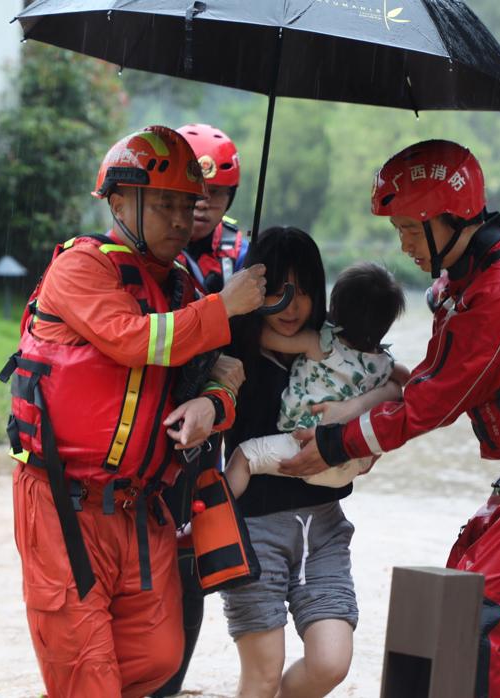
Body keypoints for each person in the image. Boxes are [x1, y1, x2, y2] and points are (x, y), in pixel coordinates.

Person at [281, 139, 500, 698]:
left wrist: (337, 443)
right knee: (454, 618)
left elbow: (435, 401)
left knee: (480, 635)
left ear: (446, 219)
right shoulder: (465, 283)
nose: (402, 245)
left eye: (407, 228)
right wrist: (353, 417)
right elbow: (426, 379)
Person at [0, 125, 267, 698]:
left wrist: (209, 405)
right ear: (118, 201)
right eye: (165, 204)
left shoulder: (182, 289)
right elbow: (131, 339)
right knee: (86, 674)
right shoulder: (81, 268)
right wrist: (226, 305)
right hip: (63, 504)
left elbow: (227, 375)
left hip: (141, 510)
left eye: (188, 206)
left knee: (158, 658)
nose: (181, 219)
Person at [222, 227, 395, 698]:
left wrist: (354, 411)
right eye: (276, 290)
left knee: (330, 663)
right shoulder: (234, 351)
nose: (290, 305)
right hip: (254, 531)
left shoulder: (341, 347)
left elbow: (405, 383)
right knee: (260, 675)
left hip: (323, 529)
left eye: (302, 291)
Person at [152, 120, 250, 698]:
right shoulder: (141, 250)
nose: (205, 206)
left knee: (191, 564)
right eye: (196, 193)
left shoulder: (241, 253)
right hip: (149, 417)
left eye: (217, 195)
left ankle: (171, 681)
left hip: (214, 423)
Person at [226, 261, 405, 496]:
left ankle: (213, 517)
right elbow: (409, 380)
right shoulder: (384, 364)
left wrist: (240, 308)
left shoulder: (318, 343)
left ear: (334, 307)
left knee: (243, 457)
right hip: (352, 458)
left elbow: (262, 338)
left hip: (300, 447)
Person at [176, 123, 248, 295]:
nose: (202, 204)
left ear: (230, 198)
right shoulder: (139, 246)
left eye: (215, 192)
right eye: (192, 191)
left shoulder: (242, 256)